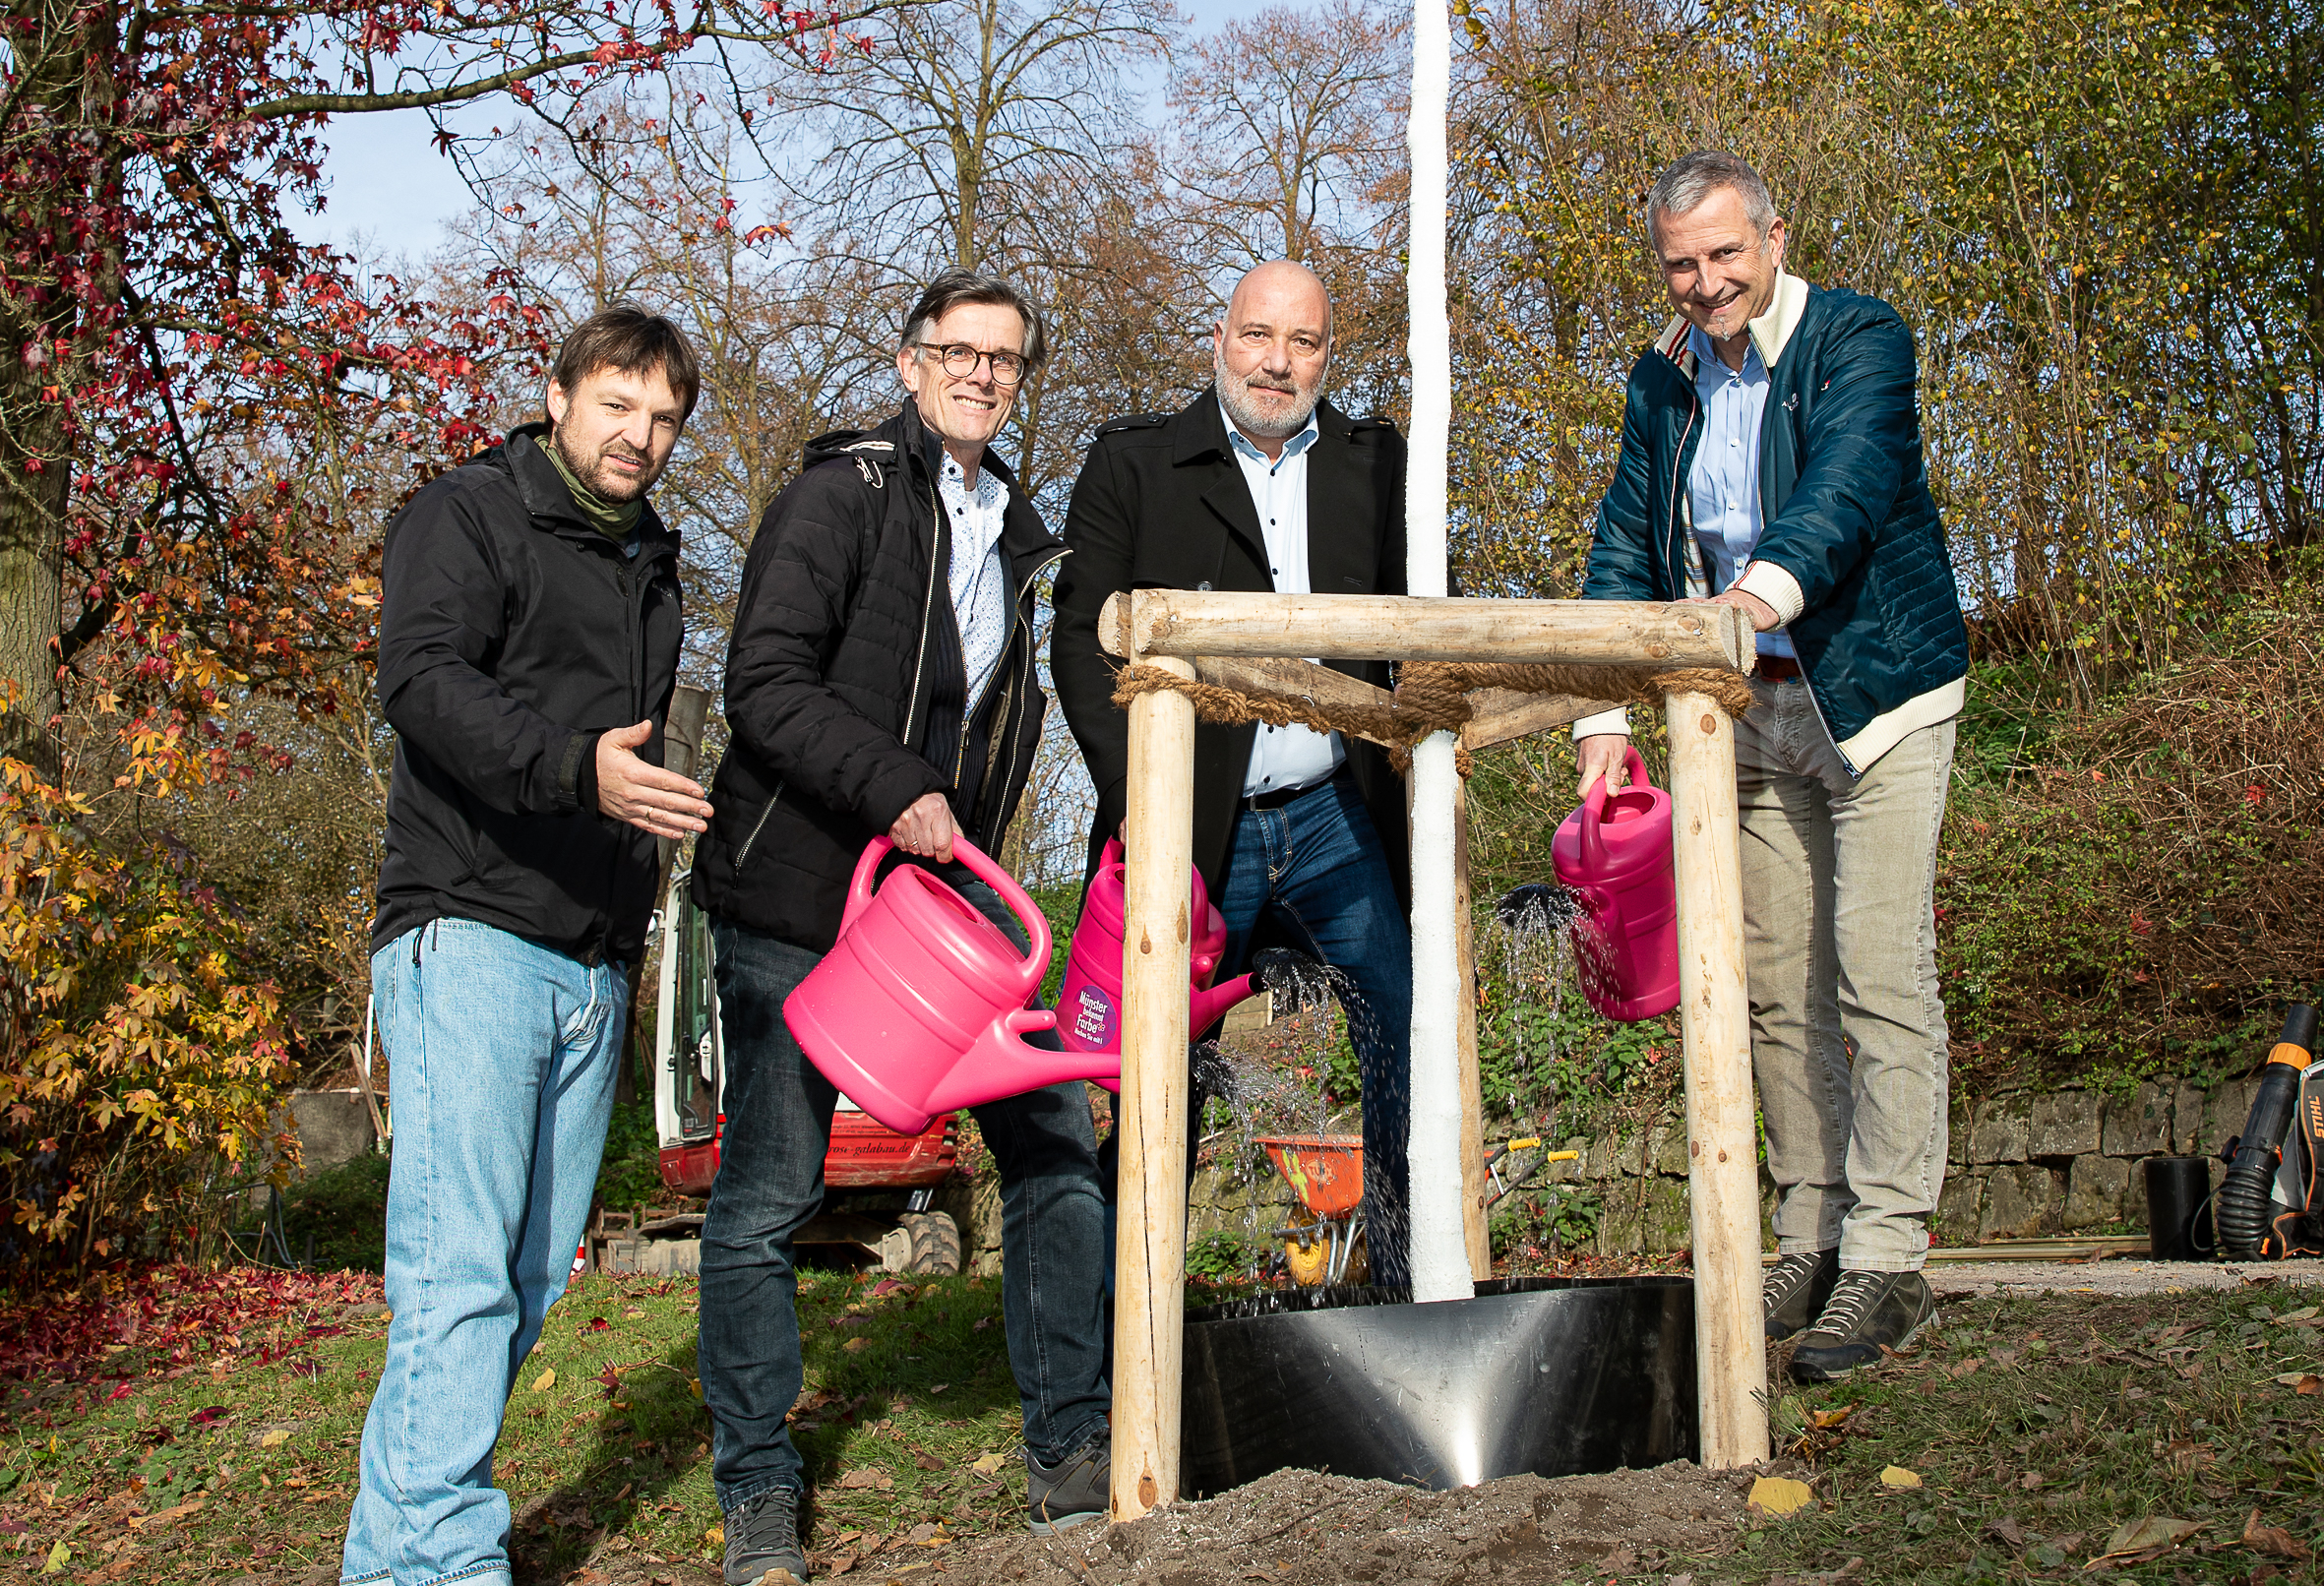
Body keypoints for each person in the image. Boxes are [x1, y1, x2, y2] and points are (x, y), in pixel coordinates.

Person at [689, 269, 1111, 1583]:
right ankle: (758, 1490)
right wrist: (894, 789)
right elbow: (761, 681)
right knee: (770, 1193)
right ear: (910, 361)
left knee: (1054, 1145)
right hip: (798, 893)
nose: (981, 374)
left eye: (1005, 359)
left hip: (933, 915)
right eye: (959, 351)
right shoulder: (842, 495)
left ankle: (1071, 1451)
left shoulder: (1021, 537)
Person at [1574, 152, 1970, 1381]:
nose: (1704, 283)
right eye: (1680, 264)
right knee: (1778, 991)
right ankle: (1813, 1235)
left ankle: (1890, 1257)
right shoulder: (1661, 379)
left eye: (1724, 254)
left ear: (1774, 238)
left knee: (1878, 972)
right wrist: (1602, 712)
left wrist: (1747, 603)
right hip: (1745, 714)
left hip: (1877, 700)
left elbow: (1845, 490)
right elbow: (1625, 536)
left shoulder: (1858, 339)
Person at [343, 305, 711, 1586]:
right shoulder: (470, 513)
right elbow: (420, 681)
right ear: (558, 397)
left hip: (593, 957)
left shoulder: (651, 562)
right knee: (457, 1275)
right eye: (617, 404)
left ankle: (396, 1556)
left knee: (529, 1278)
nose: (639, 435)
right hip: (469, 930)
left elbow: (640, 766)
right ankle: (441, 1564)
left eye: (662, 418)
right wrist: (572, 771)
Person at [1051, 259, 1415, 1289]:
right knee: (1155, 1072)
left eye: (1303, 342)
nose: (1277, 362)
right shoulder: (1135, 464)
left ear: (1329, 357)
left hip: (1341, 816)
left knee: (1408, 1035)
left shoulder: (1377, 464)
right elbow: (1079, 643)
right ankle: (1131, 1323)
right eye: (1257, 335)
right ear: (1218, 341)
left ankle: (1403, 1292)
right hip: (1193, 825)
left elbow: (1420, 637)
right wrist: (1140, 800)